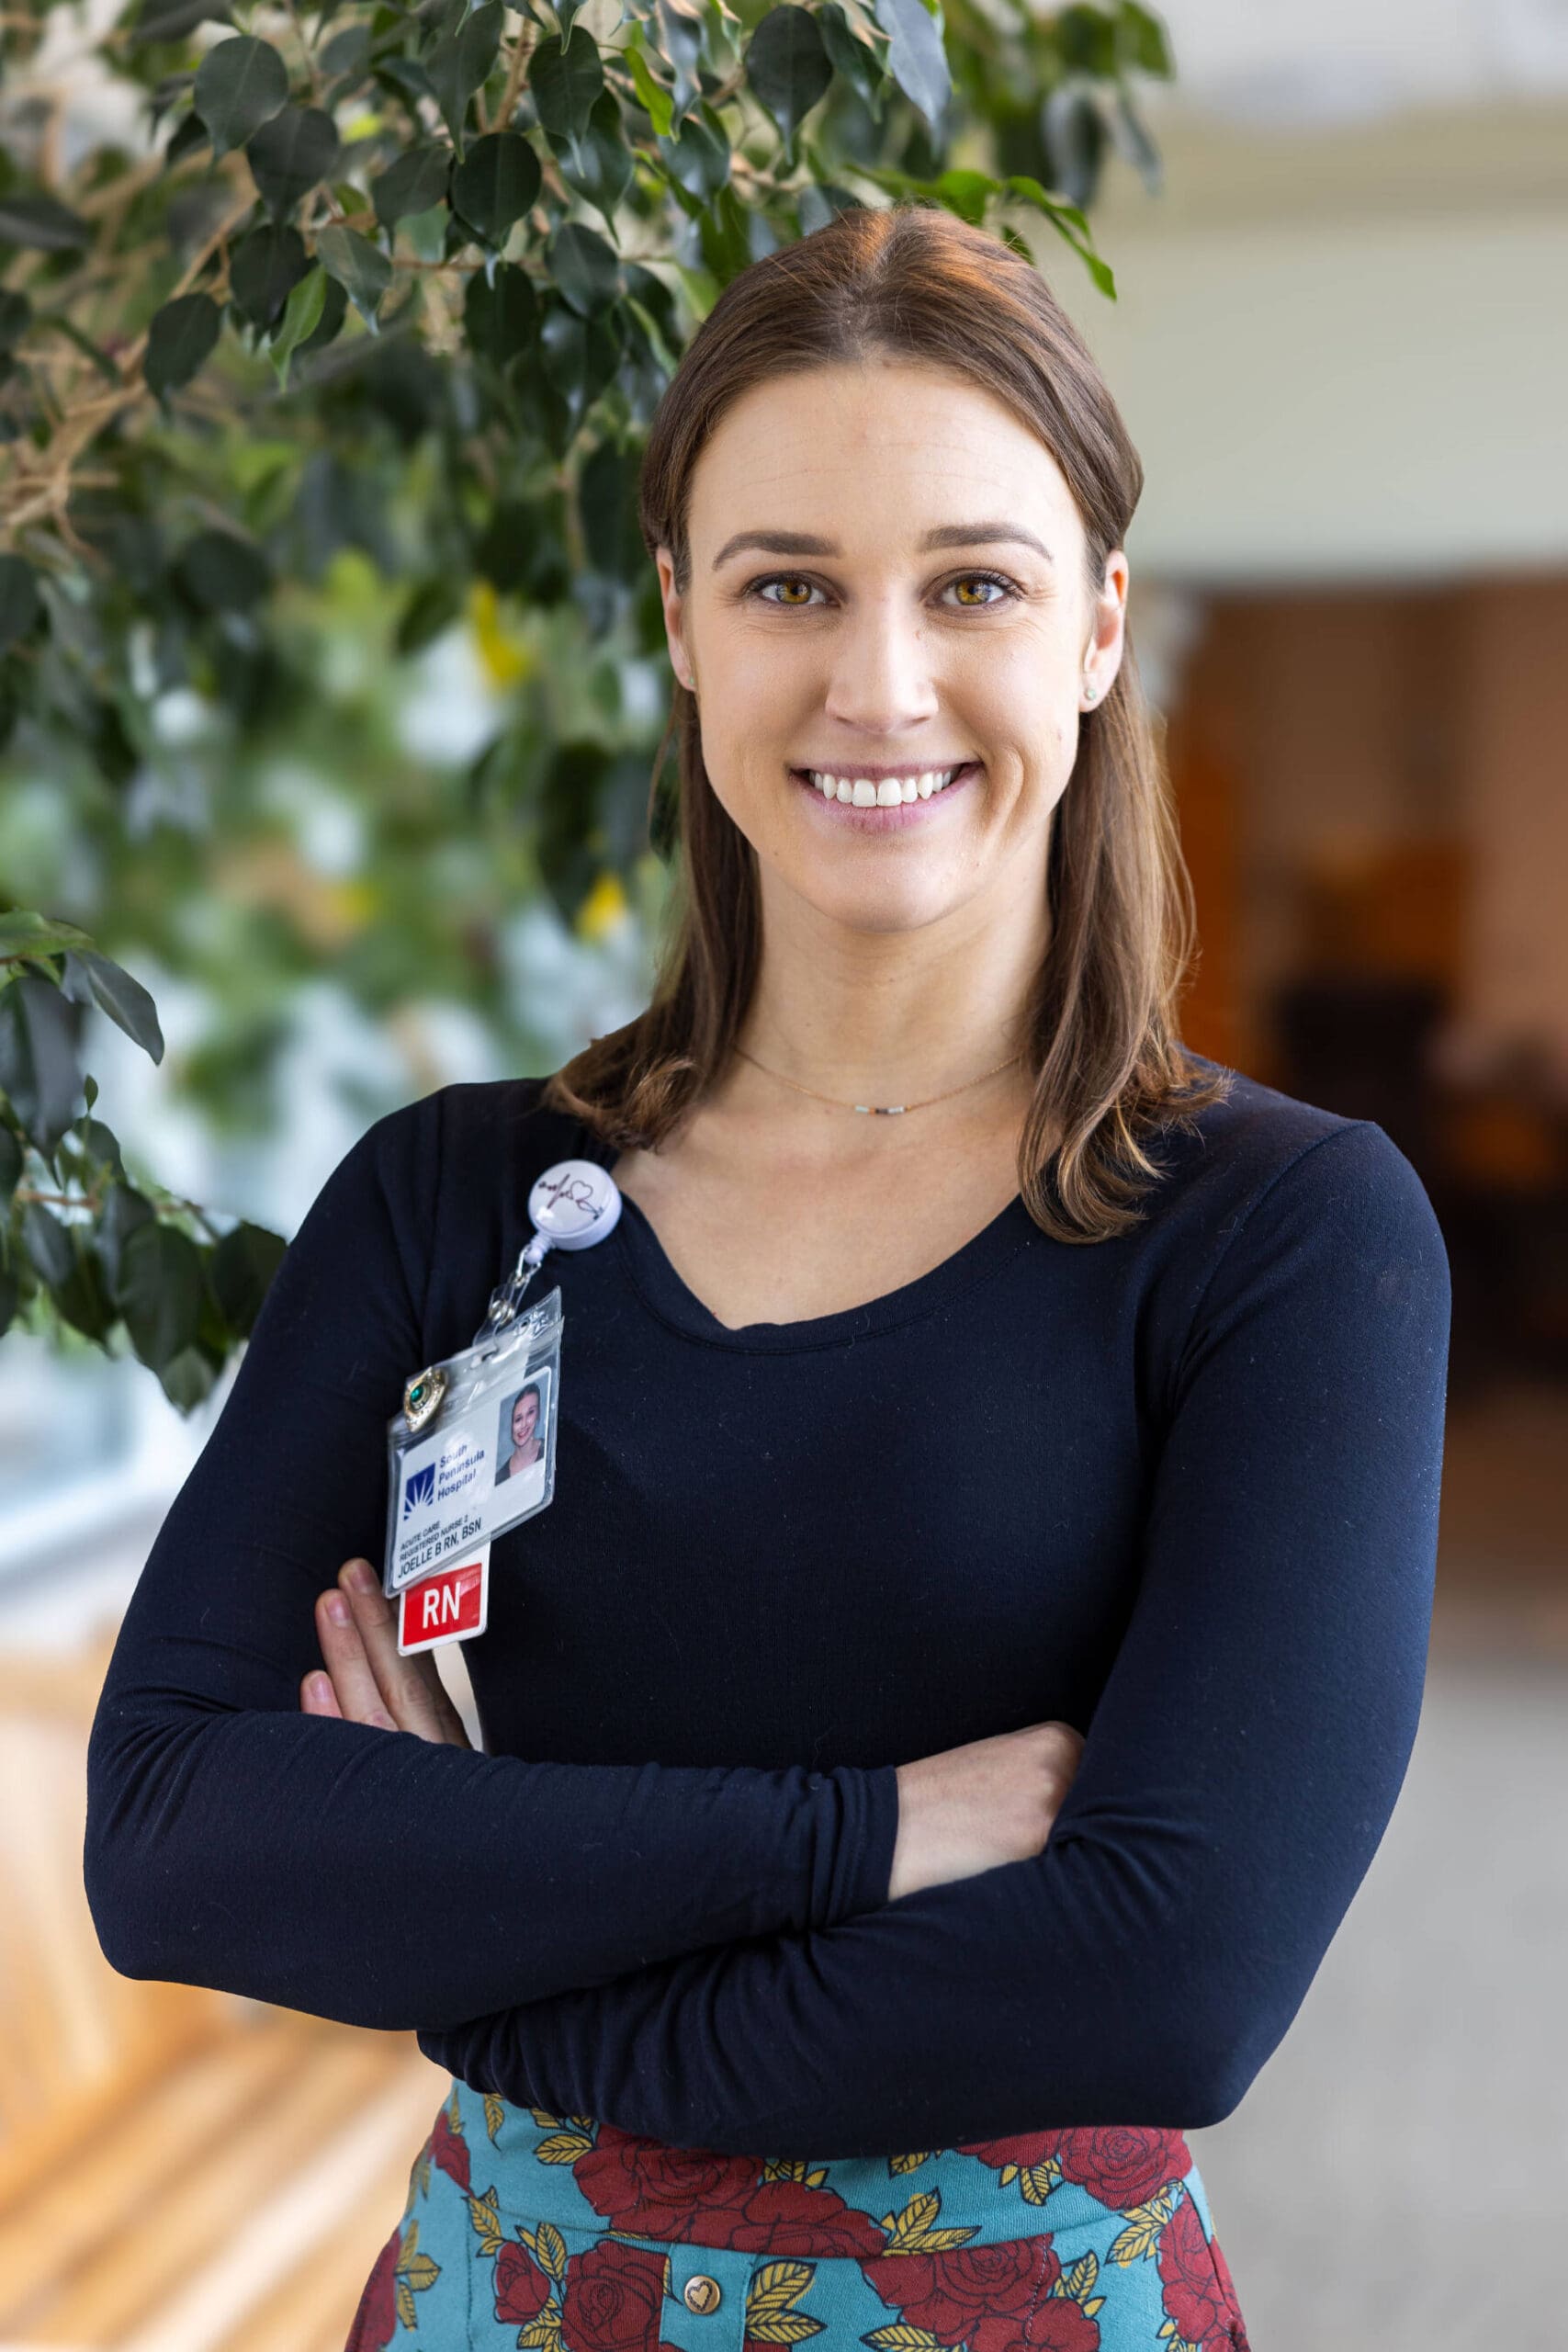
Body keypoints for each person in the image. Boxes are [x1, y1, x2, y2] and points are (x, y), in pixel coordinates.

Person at [84, 205, 1450, 2352]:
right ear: (682, 624)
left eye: (969, 585)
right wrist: (874, 1827)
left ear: (1095, 627)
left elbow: (1163, 1983)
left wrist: (478, 1893)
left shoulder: (1276, 1231)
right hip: (496, 2303)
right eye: (786, 582)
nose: (874, 682)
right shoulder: (450, 1197)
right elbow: (172, 1839)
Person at [497, 1380, 545, 1484]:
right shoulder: (499, 1478)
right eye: (518, 1419)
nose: (523, 1424)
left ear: (538, 1414)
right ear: (512, 1426)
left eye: (530, 1413)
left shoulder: (550, 1449)